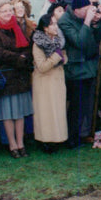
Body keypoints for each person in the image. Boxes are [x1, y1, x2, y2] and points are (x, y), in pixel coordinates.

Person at [0, 0, 35, 158]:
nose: (8, 13)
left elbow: (26, 46)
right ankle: (12, 145)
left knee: (20, 113)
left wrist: (24, 57)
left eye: (9, 10)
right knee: (8, 114)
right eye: (4, 11)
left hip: (20, 77)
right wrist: (18, 58)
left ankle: (21, 144)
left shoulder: (17, 26)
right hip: (5, 78)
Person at [58, 0, 101, 147]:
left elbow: (96, 40)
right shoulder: (65, 21)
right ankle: (71, 138)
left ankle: (81, 135)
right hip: (76, 70)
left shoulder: (84, 18)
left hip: (89, 68)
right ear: (76, 10)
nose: (88, 12)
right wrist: (87, 22)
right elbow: (80, 42)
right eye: (85, 9)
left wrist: (96, 24)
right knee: (75, 107)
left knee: (85, 106)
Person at [31, 13, 68, 153]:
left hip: (57, 79)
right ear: (45, 28)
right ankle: (45, 140)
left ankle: (58, 138)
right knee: (46, 112)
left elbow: (64, 55)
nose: (55, 27)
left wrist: (63, 58)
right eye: (52, 24)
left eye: (56, 23)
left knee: (57, 110)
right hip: (44, 82)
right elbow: (41, 66)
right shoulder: (38, 43)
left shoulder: (57, 40)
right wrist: (56, 57)